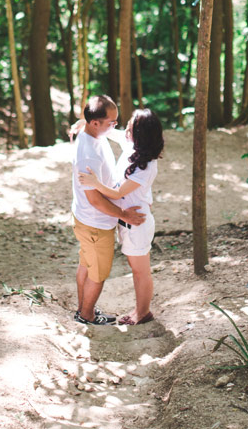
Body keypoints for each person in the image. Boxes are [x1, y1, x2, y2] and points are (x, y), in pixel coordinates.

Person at [78, 108, 163, 325]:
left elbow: (118, 193)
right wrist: (83, 124)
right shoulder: (133, 147)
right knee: (137, 269)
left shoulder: (147, 166)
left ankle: (142, 313)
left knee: (140, 272)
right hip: (127, 221)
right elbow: (114, 134)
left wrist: (95, 183)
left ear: (141, 134)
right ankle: (140, 310)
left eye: (130, 128)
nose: (125, 130)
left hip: (137, 222)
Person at [70, 95, 146, 326]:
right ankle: (87, 315)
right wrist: (124, 215)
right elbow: (94, 199)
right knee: (98, 274)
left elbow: (82, 122)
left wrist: (79, 123)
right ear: (95, 123)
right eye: (111, 122)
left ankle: (84, 309)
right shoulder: (87, 155)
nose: (115, 126)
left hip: (86, 219)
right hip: (95, 222)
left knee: (87, 264)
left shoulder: (91, 131)